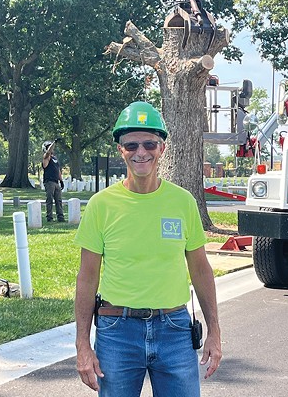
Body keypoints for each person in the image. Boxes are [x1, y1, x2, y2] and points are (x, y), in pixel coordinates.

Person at [74, 101, 222, 396]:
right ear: (121, 150)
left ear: (162, 148)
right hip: (117, 332)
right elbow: (87, 278)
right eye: (131, 145)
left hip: (175, 331)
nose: (140, 152)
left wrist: (215, 332)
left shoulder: (183, 202)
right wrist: (82, 345)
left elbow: (201, 270)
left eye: (149, 144)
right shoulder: (101, 205)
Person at [42, 140, 65, 222]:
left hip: (56, 182)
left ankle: (60, 217)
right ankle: (49, 217)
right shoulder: (46, 157)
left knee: (59, 201)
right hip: (49, 182)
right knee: (50, 200)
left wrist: (61, 180)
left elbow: (58, 170)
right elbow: (48, 152)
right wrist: (54, 143)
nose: (52, 149)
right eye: (49, 147)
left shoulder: (55, 159)